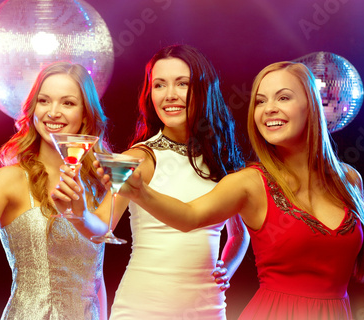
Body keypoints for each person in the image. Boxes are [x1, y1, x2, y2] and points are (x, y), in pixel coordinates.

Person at [117, 61, 364, 320]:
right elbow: (189, 216)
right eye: (260, 102)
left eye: (283, 97)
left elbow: (357, 279)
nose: (269, 109)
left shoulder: (350, 179)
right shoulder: (249, 182)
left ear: (311, 105)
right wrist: (141, 193)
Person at [53, 44, 250, 319]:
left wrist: (226, 268)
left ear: (205, 90)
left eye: (182, 84)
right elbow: (102, 225)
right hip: (143, 308)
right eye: (159, 85)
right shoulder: (140, 158)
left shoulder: (223, 161)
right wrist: (79, 212)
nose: (169, 95)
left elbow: (239, 234)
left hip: (209, 310)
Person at [0, 62, 110, 320]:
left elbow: (96, 279)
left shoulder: (98, 184)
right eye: (44, 101)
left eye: (67, 103)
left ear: (86, 115)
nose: (53, 112)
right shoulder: (7, 180)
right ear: (33, 110)